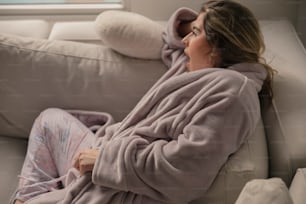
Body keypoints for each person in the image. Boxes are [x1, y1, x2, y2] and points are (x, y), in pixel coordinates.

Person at [12, 0, 274, 203]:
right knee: (49, 120)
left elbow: (186, 172)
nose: (185, 40)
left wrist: (104, 160)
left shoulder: (233, 93)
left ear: (218, 45)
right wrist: (196, 26)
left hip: (122, 187)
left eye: (195, 32)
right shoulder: (201, 69)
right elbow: (163, 39)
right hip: (110, 161)